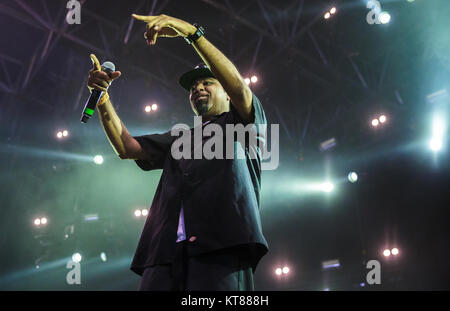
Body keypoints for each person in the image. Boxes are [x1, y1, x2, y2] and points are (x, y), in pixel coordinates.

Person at [87, 13, 269, 291]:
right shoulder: (180, 138)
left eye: (207, 82)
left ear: (226, 93)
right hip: (164, 254)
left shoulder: (243, 122)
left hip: (220, 247)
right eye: (194, 87)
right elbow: (127, 148)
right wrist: (103, 99)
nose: (198, 88)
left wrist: (191, 33)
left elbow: (239, 87)